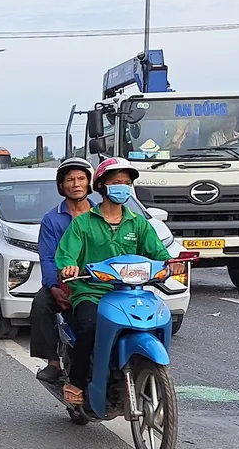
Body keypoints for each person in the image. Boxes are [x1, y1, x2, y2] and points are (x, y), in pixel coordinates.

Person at [55, 158, 175, 406]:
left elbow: (158, 253)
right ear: (101, 186)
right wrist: (68, 266)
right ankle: (76, 382)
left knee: (156, 320)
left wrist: (169, 263)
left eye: (127, 183)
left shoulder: (138, 222)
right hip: (91, 291)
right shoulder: (83, 223)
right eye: (116, 182)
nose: (122, 187)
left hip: (130, 292)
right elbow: (66, 254)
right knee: (88, 326)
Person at [31, 157, 95, 384]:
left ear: (90, 182)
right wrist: (54, 286)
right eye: (70, 179)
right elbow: (47, 256)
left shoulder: (102, 214)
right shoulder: (52, 219)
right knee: (40, 304)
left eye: (81, 178)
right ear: (61, 186)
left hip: (99, 282)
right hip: (64, 282)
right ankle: (53, 362)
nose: (76, 184)